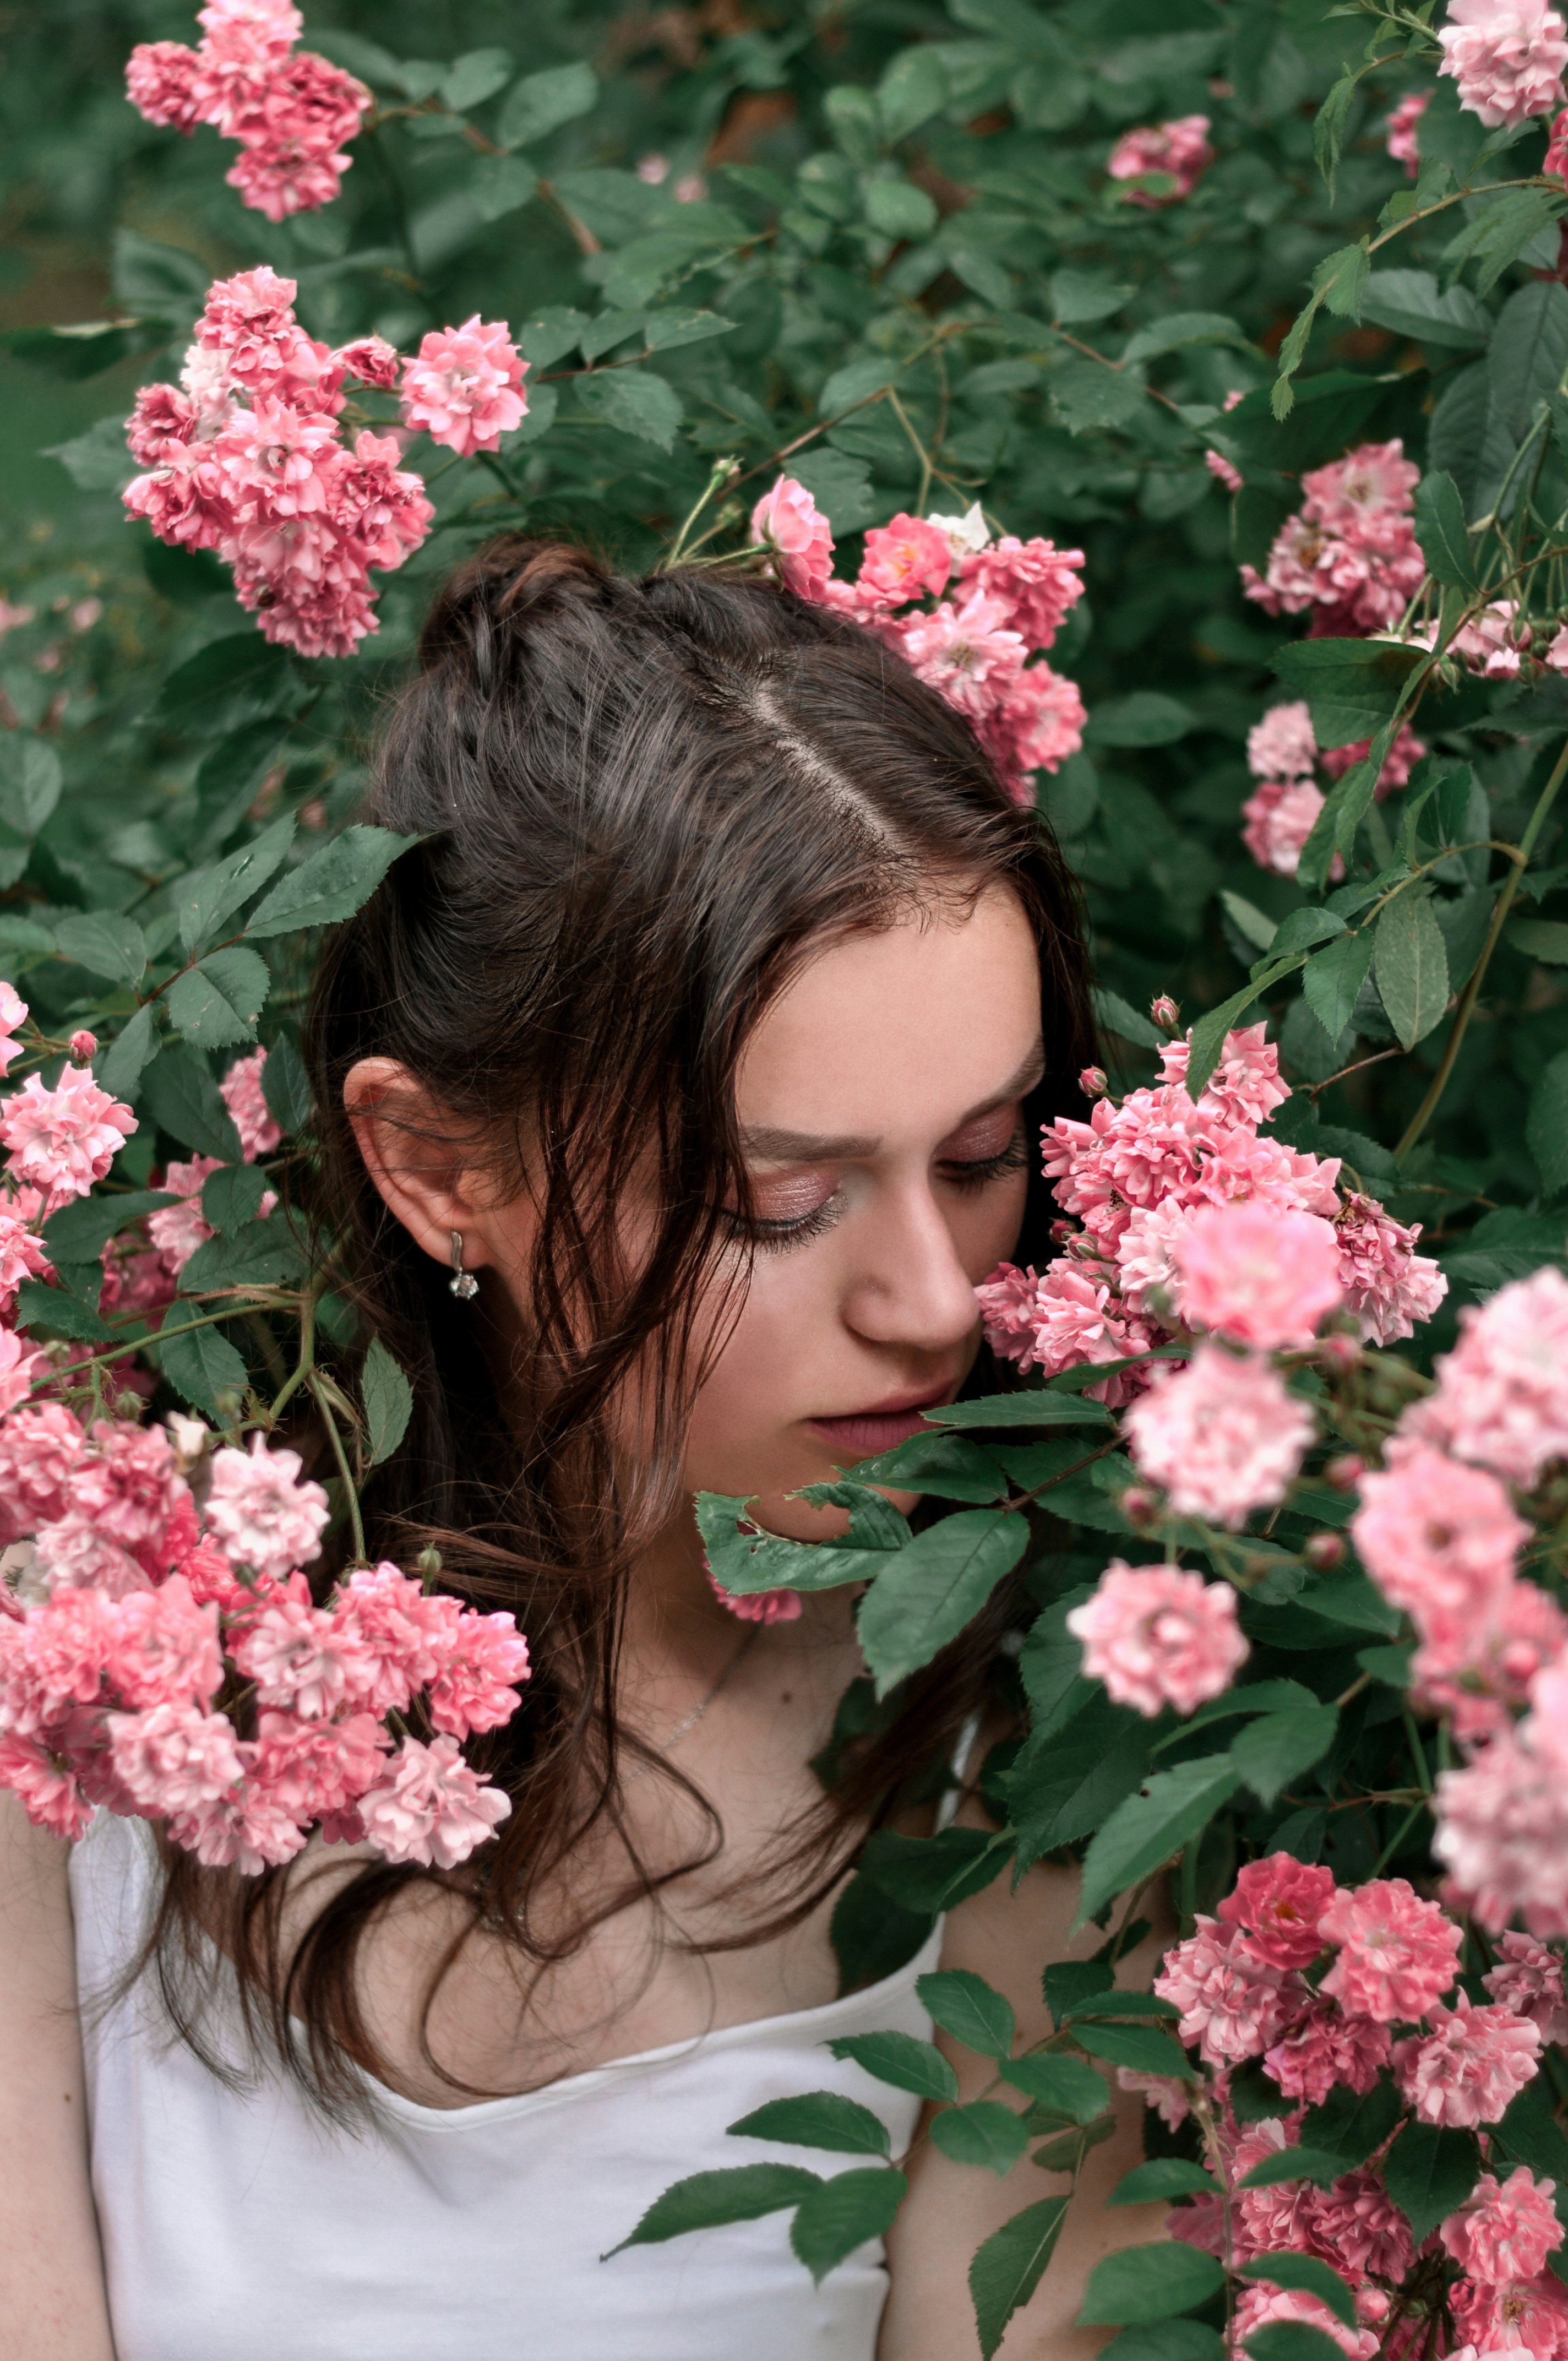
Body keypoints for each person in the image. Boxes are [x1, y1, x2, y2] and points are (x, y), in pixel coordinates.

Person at [2, 541, 1172, 2360]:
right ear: (438, 1169)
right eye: (780, 1199)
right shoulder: (83, 1685)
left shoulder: (1021, 1785)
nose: (940, 1300)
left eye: (978, 1159)